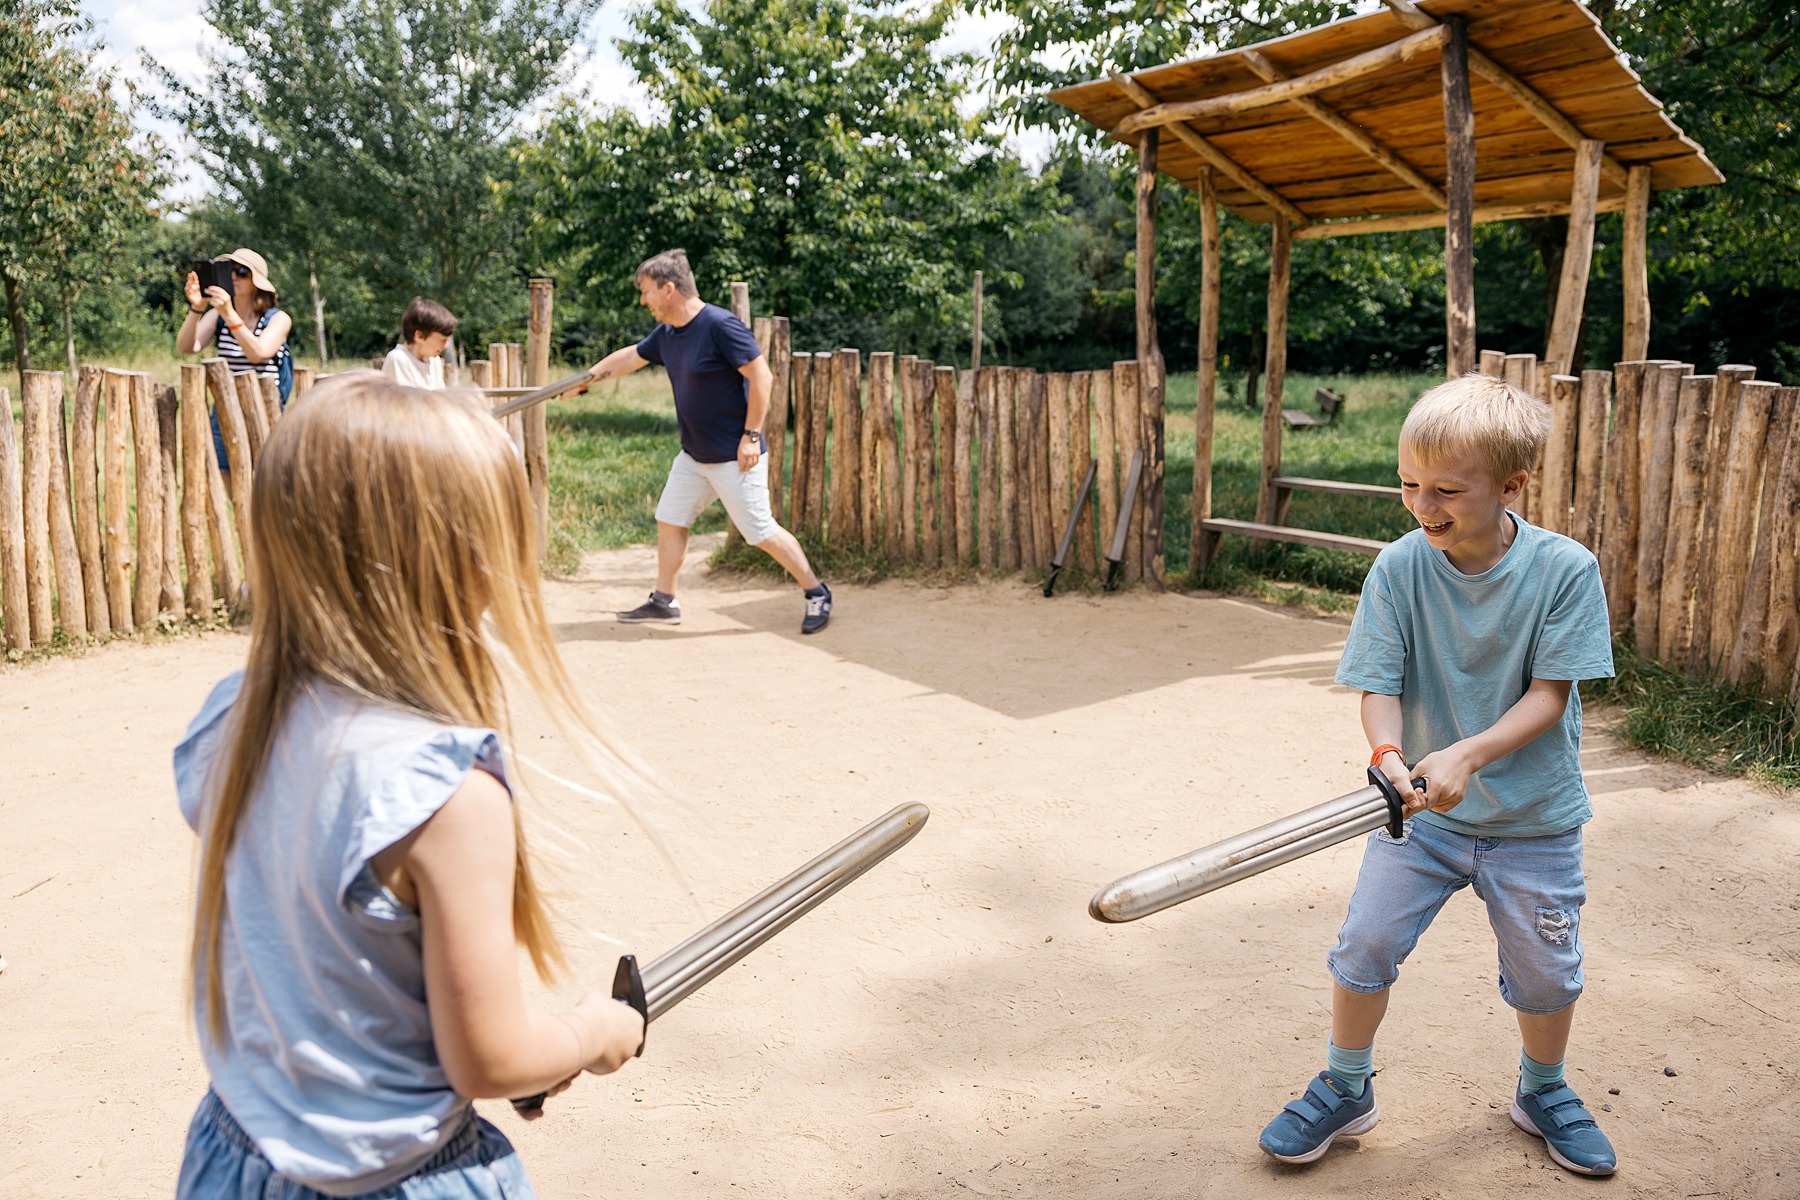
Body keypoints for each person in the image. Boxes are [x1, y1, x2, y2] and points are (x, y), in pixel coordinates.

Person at [172, 376, 645, 1198]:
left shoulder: (234, 719)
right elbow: (491, 1058)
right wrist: (589, 1032)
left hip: (236, 1156)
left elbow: (333, 952)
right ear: (460, 563)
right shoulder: (446, 792)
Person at [1257, 374, 1618, 1176]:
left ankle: (1543, 1089)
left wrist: (1468, 752)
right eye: (1408, 484)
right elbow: (1379, 684)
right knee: (1364, 945)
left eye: (1448, 489)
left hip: (1534, 819)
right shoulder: (1397, 569)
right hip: (1417, 818)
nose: (1424, 504)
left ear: (1511, 486)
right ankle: (1348, 1086)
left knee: (1546, 971)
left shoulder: (1565, 570)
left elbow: (1549, 697)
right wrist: (1389, 757)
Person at [581, 249, 831, 634]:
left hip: (735, 456)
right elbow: (631, 358)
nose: (643, 300)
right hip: (694, 455)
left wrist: (751, 437)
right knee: (670, 519)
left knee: (760, 532)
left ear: (669, 289)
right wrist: (585, 380)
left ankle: (816, 592)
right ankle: (664, 601)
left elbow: (762, 378)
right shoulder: (668, 334)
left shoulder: (719, 326)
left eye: (646, 292)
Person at [178, 248, 295, 476]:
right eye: (228, 270)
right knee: (227, 473)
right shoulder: (217, 315)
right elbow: (186, 347)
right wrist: (197, 307)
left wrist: (230, 314)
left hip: (265, 409)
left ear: (257, 281)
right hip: (226, 409)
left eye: (242, 272)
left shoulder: (278, 318)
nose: (234, 276)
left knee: (267, 477)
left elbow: (258, 353)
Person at [383, 297, 458, 390]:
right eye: (443, 340)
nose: (446, 346)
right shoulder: (398, 360)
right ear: (419, 336)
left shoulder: (434, 361)